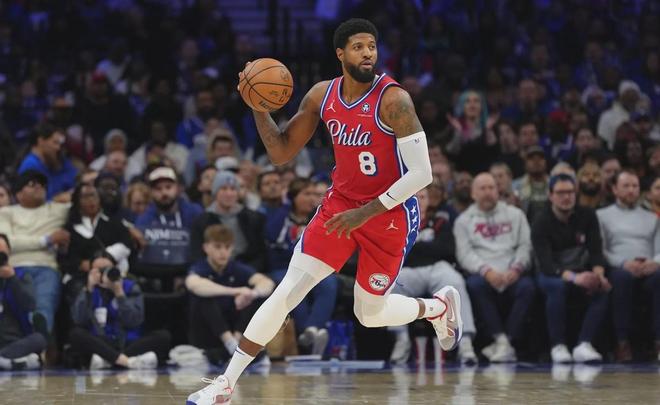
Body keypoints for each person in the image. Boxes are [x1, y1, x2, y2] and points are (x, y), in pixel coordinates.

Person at [188, 19, 462, 404]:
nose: (367, 53)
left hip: (390, 213)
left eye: (372, 46)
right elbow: (281, 152)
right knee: (287, 291)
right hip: (340, 206)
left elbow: (422, 174)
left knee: (369, 313)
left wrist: (366, 213)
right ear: (340, 54)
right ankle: (226, 383)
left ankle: (436, 307)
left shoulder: (394, 100)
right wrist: (258, 107)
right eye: (358, 47)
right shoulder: (322, 95)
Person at [389, 184, 477, 365]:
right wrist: (428, 249)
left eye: (422, 197)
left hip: (438, 267)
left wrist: (416, 249)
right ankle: (401, 340)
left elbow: (446, 249)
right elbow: (397, 254)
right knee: (392, 285)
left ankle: (465, 343)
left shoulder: (440, 221)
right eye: (414, 197)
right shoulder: (397, 222)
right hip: (408, 271)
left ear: (429, 201)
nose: (418, 201)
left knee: (456, 283)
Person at [454, 173, 535, 363]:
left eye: (491, 188)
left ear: (498, 191)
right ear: (473, 194)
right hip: (483, 274)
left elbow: (525, 246)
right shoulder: (463, 221)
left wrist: (516, 269)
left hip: (512, 272)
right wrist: (487, 271)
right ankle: (501, 339)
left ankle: (507, 342)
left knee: (528, 287)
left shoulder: (515, 215)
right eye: (482, 189)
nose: (487, 192)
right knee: (474, 285)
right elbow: (464, 254)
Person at [532, 174, 610, 363]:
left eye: (570, 192)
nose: (566, 197)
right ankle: (558, 345)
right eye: (560, 193)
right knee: (556, 287)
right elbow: (547, 264)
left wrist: (598, 275)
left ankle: (584, 343)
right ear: (551, 195)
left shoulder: (588, 215)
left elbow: (596, 251)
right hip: (550, 273)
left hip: (580, 269)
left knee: (603, 287)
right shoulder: (541, 221)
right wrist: (576, 278)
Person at [265, 177, 339, 355]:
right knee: (296, 284)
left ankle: (311, 330)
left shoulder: (320, 216)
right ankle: (308, 340)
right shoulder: (279, 215)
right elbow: (272, 236)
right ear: (293, 197)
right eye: (306, 194)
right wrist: (285, 205)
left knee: (329, 283)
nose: (312, 198)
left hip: (313, 266)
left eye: (314, 194)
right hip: (283, 266)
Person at [186, 225, 275, 362]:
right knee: (204, 298)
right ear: (206, 248)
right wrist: (236, 291)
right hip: (208, 333)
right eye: (218, 247)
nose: (223, 252)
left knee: (255, 296)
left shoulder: (236, 267)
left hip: (235, 327)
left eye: (227, 247)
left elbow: (267, 283)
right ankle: (229, 342)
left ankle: (237, 342)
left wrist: (252, 294)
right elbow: (193, 284)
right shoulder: (200, 267)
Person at [597, 171, 660, 362]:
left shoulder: (652, 217)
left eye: (635, 186)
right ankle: (622, 342)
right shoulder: (602, 215)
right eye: (626, 186)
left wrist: (655, 262)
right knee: (622, 278)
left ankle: (658, 342)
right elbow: (601, 250)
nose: (631, 190)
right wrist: (623, 263)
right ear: (615, 189)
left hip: (648, 267)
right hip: (619, 267)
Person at [69, 252, 171, 369]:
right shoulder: (87, 289)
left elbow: (134, 321)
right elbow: (79, 320)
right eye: (99, 270)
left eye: (107, 269)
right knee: (76, 334)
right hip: (101, 342)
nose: (103, 273)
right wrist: (89, 290)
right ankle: (127, 361)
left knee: (163, 336)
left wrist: (119, 293)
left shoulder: (130, 286)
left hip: (128, 341)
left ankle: (109, 360)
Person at [0, 171, 70, 334]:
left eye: (42, 184)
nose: (39, 187)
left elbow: (89, 206)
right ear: (18, 193)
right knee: (15, 311)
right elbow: (7, 243)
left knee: (43, 306)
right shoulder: (6, 213)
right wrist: (46, 240)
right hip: (13, 267)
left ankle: (40, 342)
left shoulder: (58, 210)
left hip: (46, 267)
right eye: (32, 184)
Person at [135, 166, 203, 267]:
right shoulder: (145, 217)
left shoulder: (194, 212)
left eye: (168, 187)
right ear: (151, 192)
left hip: (189, 268)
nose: (164, 193)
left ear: (177, 188)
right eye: (158, 189)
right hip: (155, 269)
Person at [0, 234, 47, 370]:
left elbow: (30, 304)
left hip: (16, 341)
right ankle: (15, 361)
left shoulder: (21, 275)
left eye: (2, 252)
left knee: (39, 339)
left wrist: (12, 279)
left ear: (9, 252)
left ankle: (7, 360)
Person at [17, 123, 78, 201]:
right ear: (41, 141)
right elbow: (34, 201)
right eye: (55, 142)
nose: (58, 148)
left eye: (59, 144)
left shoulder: (55, 159)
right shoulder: (30, 166)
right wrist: (57, 200)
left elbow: (75, 178)